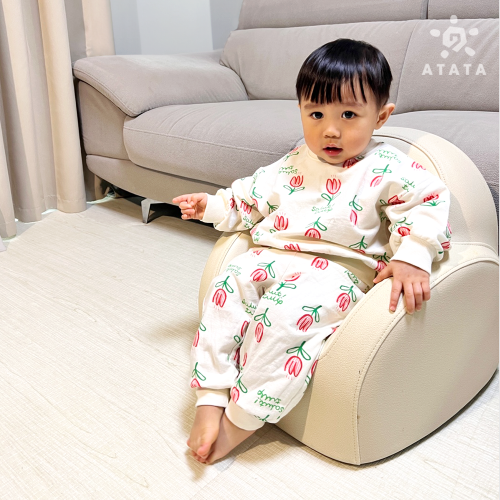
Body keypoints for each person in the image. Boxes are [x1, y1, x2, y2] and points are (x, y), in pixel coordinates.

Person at [172, 38, 452, 464]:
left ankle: (243, 418)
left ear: (381, 116)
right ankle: (211, 392)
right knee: (227, 284)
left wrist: (413, 255)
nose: (330, 130)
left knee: (284, 318)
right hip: (272, 255)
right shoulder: (292, 163)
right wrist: (210, 206)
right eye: (316, 114)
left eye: (349, 115)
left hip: (337, 272)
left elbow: (428, 203)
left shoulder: (388, 167)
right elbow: (248, 200)